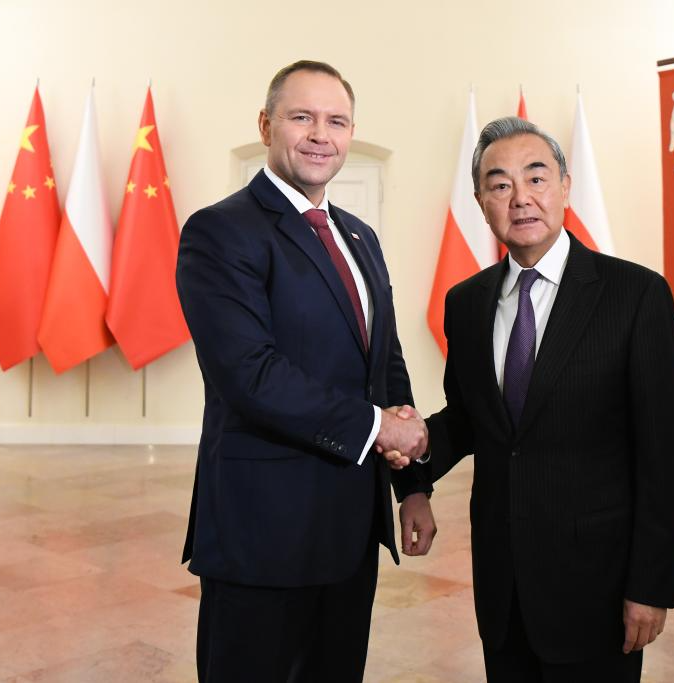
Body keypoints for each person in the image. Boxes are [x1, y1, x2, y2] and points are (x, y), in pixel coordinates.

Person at [396, 116, 674, 682]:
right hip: (504, 587)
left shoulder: (635, 296)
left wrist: (652, 584)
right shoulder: (468, 302)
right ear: (481, 201)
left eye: (536, 178)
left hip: (597, 588)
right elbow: (469, 420)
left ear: (564, 186)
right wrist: (413, 473)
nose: (521, 198)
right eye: (500, 184)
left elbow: (663, 456)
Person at [176, 60, 429, 683]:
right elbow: (249, 375)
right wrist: (380, 427)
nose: (321, 133)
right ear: (266, 125)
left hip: (348, 531)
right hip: (262, 531)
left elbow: (385, 364)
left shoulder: (359, 236)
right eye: (302, 117)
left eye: (336, 120)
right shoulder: (219, 231)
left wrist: (413, 484)